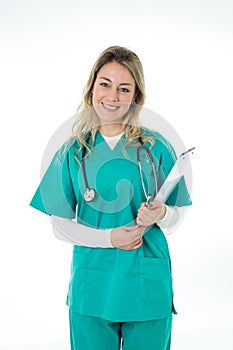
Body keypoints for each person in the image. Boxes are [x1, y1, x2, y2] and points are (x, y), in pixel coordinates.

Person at [30, 46, 192, 350]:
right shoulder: (71, 151)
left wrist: (161, 214)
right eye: (105, 84)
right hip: (93, 284)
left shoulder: (157, 147)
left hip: (146, 281)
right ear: (92, 87)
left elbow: (177, 213)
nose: (112, 96)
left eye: (124, 88)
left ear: (136, 96)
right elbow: (59, 225)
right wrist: (110, 239)